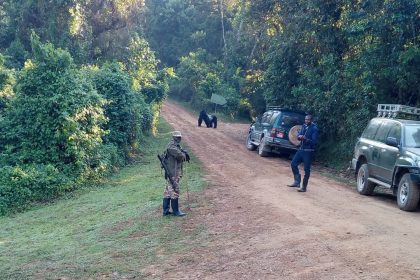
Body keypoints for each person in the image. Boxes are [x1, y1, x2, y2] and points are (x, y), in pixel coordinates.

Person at [287, 115, 318, 192]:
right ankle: (297, 182)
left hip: (308, 151)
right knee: (293, 164)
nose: (306, 121)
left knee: (307, 170)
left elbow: (314, 142)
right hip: (301, 150)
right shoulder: (304, 126)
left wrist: (305, 139)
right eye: (305, 119)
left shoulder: (314, 129)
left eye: (308, 120)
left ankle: (304, 187)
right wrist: (299, 137)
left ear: (311, 120)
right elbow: (299, 135)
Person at [162, 131, 188, 216]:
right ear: (173, 137)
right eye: (177, 137)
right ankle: (176, 211)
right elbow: (180, 156)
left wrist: (183, 153)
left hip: (172, 171)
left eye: (179, 137)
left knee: (167, 191)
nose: (179, 139)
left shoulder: (175, 146)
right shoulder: (171, 146)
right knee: (174, 189)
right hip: (173, 172)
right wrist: (184, 154)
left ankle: (166, 211)